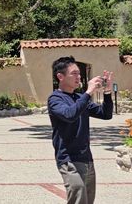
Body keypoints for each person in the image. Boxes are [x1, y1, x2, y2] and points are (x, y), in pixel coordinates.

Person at [48, 56, 113, 204]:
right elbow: (70, 115)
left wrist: (107, 92)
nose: (79, 77)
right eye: (74, 73)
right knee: (78, 195)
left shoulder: (79, 97)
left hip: (86, 158)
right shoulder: (55, 99)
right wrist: (89, 92)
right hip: (68, 159)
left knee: (88, 200)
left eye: (79, 73)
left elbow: (106, 114)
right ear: (60, 76)